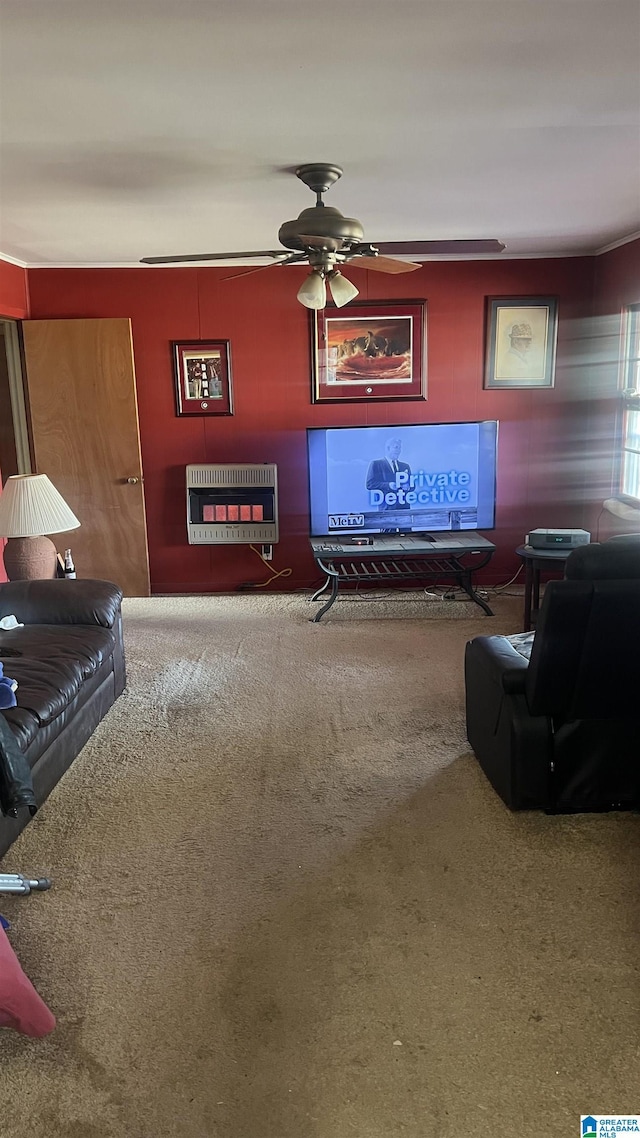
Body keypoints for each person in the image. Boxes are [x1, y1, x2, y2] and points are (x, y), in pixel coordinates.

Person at [366, 437, 412, 514]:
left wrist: (408, 486)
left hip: (404, 510)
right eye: (396, 447)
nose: (398, 451)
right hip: (386, 509)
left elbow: (412, 486)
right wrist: (388, 485)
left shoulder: (405, 466)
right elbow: (370, 484)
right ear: (388, 448)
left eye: (400, 448)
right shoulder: (376, 464)